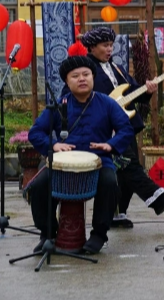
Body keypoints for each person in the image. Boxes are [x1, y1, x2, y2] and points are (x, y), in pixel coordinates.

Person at [62, 27, 164, 228]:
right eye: (105, 45)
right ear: (91, 47)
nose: (110, 49)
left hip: (125, 125)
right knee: (129, 165)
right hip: (104, 130)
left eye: (111, 45)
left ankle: (118, 213)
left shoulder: (117, 68)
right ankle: (156, 197)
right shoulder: (85, 70)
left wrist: (148, 90)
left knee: (124, 173)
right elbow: (69, 97)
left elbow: (134, 92)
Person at [28, 55, 135, 254]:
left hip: (99, 161)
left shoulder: (107, 103)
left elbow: (126, 129)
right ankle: (48, 233)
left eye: (86, 74)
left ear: (93, 77)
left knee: (110, 183)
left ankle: (98, 235)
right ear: (67, 82)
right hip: (64, 164)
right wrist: (53, 145)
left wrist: (110, 145)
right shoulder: (60, 104)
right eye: (75, 76)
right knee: (39, 185)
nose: (82, 79)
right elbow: (35, 132)